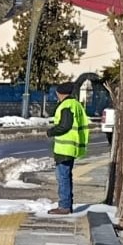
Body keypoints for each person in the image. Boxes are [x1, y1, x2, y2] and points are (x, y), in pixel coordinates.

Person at [46, 82, 89, 215]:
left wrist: (51, 132)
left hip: (64, 148)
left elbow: (65, 125)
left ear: (60, 93)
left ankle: (64, 206)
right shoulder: (76, 104)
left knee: (63, 177)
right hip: (72, 147)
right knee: (66, 176)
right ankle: (67, 205)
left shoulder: (66, 105)